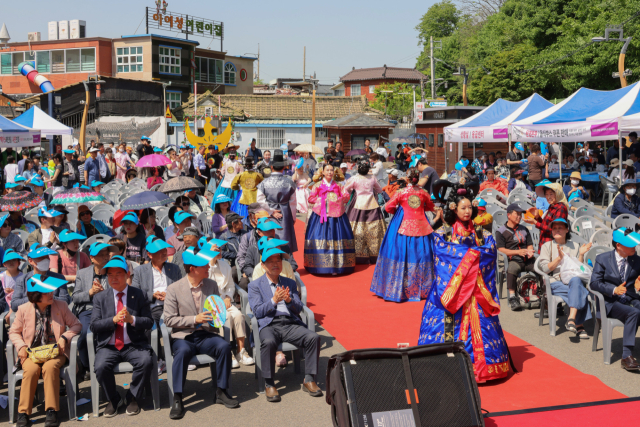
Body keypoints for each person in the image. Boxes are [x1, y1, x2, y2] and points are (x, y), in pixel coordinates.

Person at [418, 180, 510, 382]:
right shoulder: (445, 233)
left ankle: (483, 368)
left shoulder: (482, 233)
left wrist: (468, 257)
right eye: (463, 208)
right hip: (452, 289)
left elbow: (490, 252)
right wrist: (471, 257)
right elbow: (442, 253)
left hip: (477, 290)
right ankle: (447, 366)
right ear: (454, 209)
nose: (467, 211)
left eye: (470, 207)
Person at [164, 247, 239, 418]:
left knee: (224, 347)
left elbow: (218, 313)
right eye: (204, 265)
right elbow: (169, 320)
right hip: (184, 336)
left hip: (206, 334)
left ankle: (221, 391)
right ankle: (178, 397)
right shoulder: (174, 288)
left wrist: (215, 317)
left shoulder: (211, 285)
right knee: (182, 353)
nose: (208, 267)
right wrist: (194, 319)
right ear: (192, 269)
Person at [248, 245, 322, 402]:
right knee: (268, 341)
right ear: (263, 265)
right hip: (269, 324)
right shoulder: (255, 286)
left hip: (289, 323)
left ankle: (309, 379)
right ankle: (269, 383)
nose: (276, 264)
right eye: (271, 262)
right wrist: (273, 300)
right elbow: (258, 311)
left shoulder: (289, 282)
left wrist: (289, 300)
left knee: (313, 337)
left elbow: (299, 308)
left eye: (278, 261)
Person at [9, 274, 81, 427]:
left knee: (49, 367)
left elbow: (76, 325)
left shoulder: (60, 306)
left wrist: (64, 337)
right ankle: (23, 412)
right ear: (36, 295)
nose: (51, 294)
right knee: (30, 370)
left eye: (51, 291)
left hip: (56, 352)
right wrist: (21, 346)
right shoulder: (23, 309)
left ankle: (52, 410)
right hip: (32, 354)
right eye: (46, 292)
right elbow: (13, 332)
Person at [90, 255, 155, 417]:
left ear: (127, 275)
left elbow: (149, 322)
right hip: (109, 345)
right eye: (110, 274)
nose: (113, 278)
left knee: (146, 361)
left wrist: (132, 319)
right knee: (100, 366)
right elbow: (94, 325)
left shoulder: (139, 294)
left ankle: (133, 397)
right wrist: (113, 320)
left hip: (134, 344)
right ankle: (114, 398)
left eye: (118, 274)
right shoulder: (100, 297)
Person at [371, 170, 435, 302]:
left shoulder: (401, 192)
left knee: (398, 252)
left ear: (407, 179)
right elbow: (430, 206)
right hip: (421, 224)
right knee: (423, 253)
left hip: (402, 224)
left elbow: (388, 207)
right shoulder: (424, 193)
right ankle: (423, 289)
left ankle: (398, 288)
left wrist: (399, 210)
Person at [590, 228, 640, 371]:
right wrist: (613, 290)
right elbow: (594, 283)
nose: (635, 247)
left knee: (635, 310)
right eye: (631, 245)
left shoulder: (636, 259)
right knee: (633, 313)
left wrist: (639, 286)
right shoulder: (603, 259)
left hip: (630, 297)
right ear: (618, 245)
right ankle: (626, 357)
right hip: (609, 302)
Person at [201, 237, 255, 367]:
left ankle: (241, 351)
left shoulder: (225, 265)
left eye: (219, 248)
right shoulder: (204, 266)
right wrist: (212, 260)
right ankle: (227, 352)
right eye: (215, 249)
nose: (219, 251)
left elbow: (231, 285)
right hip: (211, 302)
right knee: (226, 317)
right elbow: (206, 281)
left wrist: (228, 297)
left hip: (225, 300)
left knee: (238, 315)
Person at [131, 236, 181, 374]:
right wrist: (152, 295)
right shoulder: (140, 271)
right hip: (151, 307)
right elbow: (134, 293)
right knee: (149, 327)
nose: (164, 252)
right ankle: (158, 359)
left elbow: (182, 288)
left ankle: (178, 357)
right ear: (149, 254)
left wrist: (170, 296)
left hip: (171, 306)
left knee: (176, 324)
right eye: (159, 251)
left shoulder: (174, 268)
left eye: (165, 249)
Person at [72, 241, 119, 379]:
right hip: (88, 310)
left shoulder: (114, 271)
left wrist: (107, 294)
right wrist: (91, 292)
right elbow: (75, 298)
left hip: (110, 309)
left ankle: (109, 360)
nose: (105, 257)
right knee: (85, 334)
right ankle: (86, 365)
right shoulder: (82, 274)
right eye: (101, 255)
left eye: (107, 254)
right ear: (92, 258)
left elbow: (121, 292)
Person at [539, 218, 592, 339]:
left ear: (567, 230)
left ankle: (571, 319)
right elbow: (545, 269)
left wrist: (581, 254)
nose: (557, 230)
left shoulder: (575, 245)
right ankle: (579, 324)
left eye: (560, 228)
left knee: (576, 281)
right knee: (581, 291)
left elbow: (578, 268)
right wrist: (559, 258)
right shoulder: (547, 246)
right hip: (555, 281)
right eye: (554, 228)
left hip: (572, 281)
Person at [304, 164, 355, 275]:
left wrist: (337, 199)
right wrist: (323, 200)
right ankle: (320, 265)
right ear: (322, 172)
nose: (330, 172)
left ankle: (339, 266)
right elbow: (311, 198)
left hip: (337, 218)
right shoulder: (317, 185)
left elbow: (346, 197)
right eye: (327, 170)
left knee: (338, 237)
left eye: (332, 170)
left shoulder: (339, 185)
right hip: (321, 216)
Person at [343, 161, 387, 264]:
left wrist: (349, 194)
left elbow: (345, 189)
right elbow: (380, 190)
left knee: (357, 230)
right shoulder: (372, 178)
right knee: (375, 231)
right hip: (372, 206)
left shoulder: (354, 178)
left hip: (357, 205)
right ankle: (375, 255)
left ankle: (358, 255)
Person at [495, 203, 536, 311]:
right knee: (512, 269)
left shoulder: (524, 229)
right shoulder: (501, 232)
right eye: (516, 214)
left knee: (540, 268)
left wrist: (530, 251)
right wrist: (517, 252)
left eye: (520, 214)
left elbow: (529, 244)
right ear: (509, 215)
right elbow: (501, 249)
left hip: (528, 259)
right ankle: (513, 298)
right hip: (514, 259)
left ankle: (543, 295)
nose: (519, 216)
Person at [256, 149, 298, 252]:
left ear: (271, 167)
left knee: (270, 234)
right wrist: (293, 218)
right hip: (285, 212)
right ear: (284, 167)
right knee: (285, 236)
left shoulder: (264, 182)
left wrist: (271, 211)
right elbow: (293, 203)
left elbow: (259, 199)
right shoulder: (289, 182)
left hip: (269, 212)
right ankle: (286, 260)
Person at [523, 181, 569, 252]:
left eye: (551, 194)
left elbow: (554, 229)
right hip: (545, 243)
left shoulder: (561, 208)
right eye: (546, 194)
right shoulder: (552, 206)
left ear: (557, 194)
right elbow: (546, 224)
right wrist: (537, 217)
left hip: (553, 247)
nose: (548, 197)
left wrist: (535, 222)